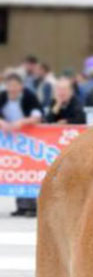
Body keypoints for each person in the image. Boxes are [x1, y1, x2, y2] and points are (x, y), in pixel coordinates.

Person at [0, 73, 43, 217]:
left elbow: (37, 115)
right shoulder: (3, 97)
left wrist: (22, 123)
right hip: (10, 139)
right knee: (17, 170)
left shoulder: (29, 96)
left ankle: (32, 206)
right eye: (9, 86)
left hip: (29, 137)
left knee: (30, 168)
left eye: (15, 86)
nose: (12, 89)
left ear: (21, 86)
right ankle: (21, 206)